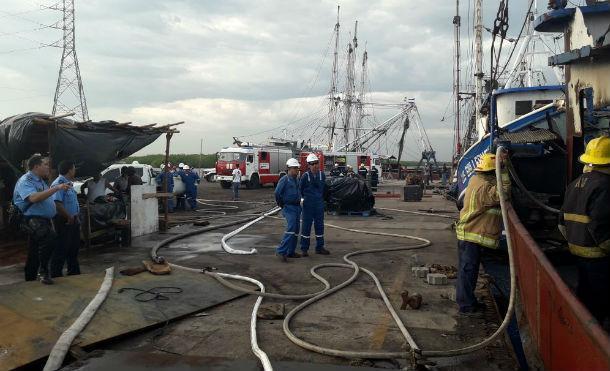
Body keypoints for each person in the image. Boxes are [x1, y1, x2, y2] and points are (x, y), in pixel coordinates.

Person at [559, 136, 610, 324]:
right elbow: (601, 225)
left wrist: (574, 242)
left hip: (577, 252)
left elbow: (561, 221)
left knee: (585, 294)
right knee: (599, 299)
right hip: (598, 256)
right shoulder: (605, 186)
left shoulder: (575, 184)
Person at [455, 152, 510, 316]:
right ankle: (466, 306)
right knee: (468, 271)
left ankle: (467, 302)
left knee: (467, 271)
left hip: (470, 234)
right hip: (472, 235)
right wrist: (504, 170)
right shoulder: (485, 187)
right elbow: (504, 193)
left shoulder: (476, 180)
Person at [13, 155, 71, 284]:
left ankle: (30, 278)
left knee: (34, 250)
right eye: (45, 165)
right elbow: (33, 198)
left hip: (42, 219)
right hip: (30, 218)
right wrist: (56, 188)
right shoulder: (26, 180)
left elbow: (47, 200)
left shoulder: (40, 181)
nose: (47, 168)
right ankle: (43, 272)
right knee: (49, 238)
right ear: (36, 166)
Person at [50, 160, 81, 278]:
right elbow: (57, 204)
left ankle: (74, 273)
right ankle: (55, 275)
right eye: (74, 168)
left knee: (73, 248)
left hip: (72, 220)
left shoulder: (69, 183)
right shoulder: (58, 184)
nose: (75, 170)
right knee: (61, 248)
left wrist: (75, 217)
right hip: (63, 220)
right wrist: (68, 216)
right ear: (69, 170)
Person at [299, 153, 330, 256]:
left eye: (316, 163)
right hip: (308, 206)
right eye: (312, 164)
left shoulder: (322, 175)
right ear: (309, 165)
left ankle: (320, 247)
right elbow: (300, 190)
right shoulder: (305, 176)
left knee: (320, 226)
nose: (315, 165)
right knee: (306, 227)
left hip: (319, 205)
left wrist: (324, 201)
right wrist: (303, 200)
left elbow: (325, 189)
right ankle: (304, 249)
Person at [275, 158, 302, 262]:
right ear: (289, 169)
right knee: (291, 228)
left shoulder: (296, 179)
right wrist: (281, 204)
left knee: (295, 230)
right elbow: (277, 193)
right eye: (295, 168)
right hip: (288, 207)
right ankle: (281, 251)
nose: (296, 170)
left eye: (297, 168)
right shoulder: (284, 179)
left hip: (296, 207)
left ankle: (291, 251)